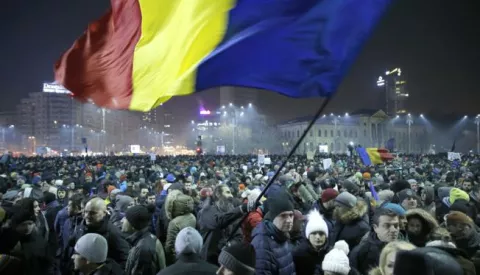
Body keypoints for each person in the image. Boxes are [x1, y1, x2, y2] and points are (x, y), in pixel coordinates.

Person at [73, 197, 131, 268]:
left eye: (92, 213)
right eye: (85, 212)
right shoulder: (81, 227)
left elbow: (125, 260)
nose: (86, 216)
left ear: (104, 213)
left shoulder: (113, 232)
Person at [198, 185, 248, 265]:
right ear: (218, 194)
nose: (231, 196)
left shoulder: (231, 213)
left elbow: (239, 236)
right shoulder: (207, 210)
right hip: (208, 260)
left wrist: (230, 244)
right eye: (228, 192)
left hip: (225, 261)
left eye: (231, 193)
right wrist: (240, 209)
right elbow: (218, 222)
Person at [251, 193, 296, 275]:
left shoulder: (282, 235)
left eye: (291, 215)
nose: (289, 220)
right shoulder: (262, 244)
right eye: (283, 216)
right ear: (273, 218)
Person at [122, 205, 166, 274]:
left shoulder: (143, 249)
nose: (122, 221)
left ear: (133, 225)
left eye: (125, 219)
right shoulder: (145, 238)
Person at [293, 209, 330, 275]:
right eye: (314, 233)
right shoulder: (299, 254)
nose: (318, 237)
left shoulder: (331, 253)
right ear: (308, 236)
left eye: (321, 233)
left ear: (326, 236)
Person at [164, 190, 196, 265]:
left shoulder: (174, 223)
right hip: (190, 253)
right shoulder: (192, 216)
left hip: (177, 257)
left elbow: (170, 245)